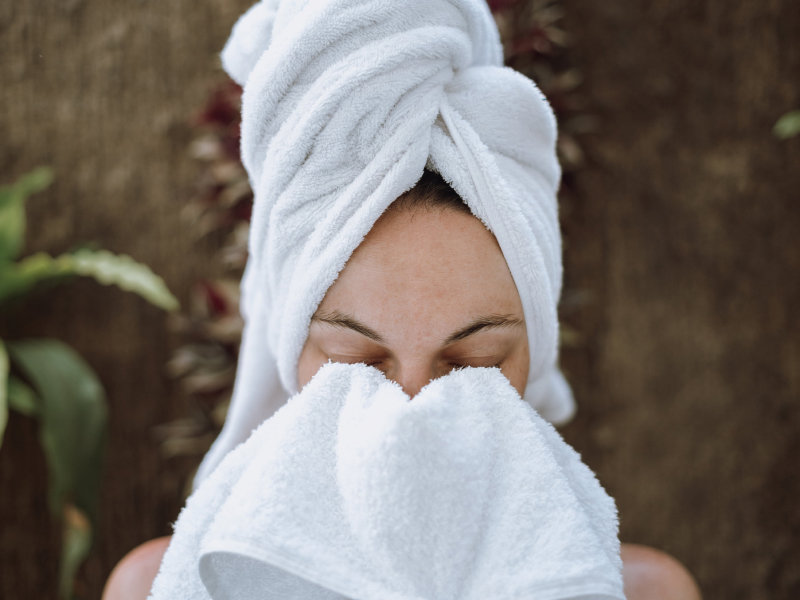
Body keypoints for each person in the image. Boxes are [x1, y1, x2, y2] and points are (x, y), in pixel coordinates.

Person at [103, 171, 702, 600]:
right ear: (288, 357)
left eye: (473, 363)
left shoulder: (648, 592)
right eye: (356, 360)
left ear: (534, 355)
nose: (411, 408)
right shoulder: (159, 588)